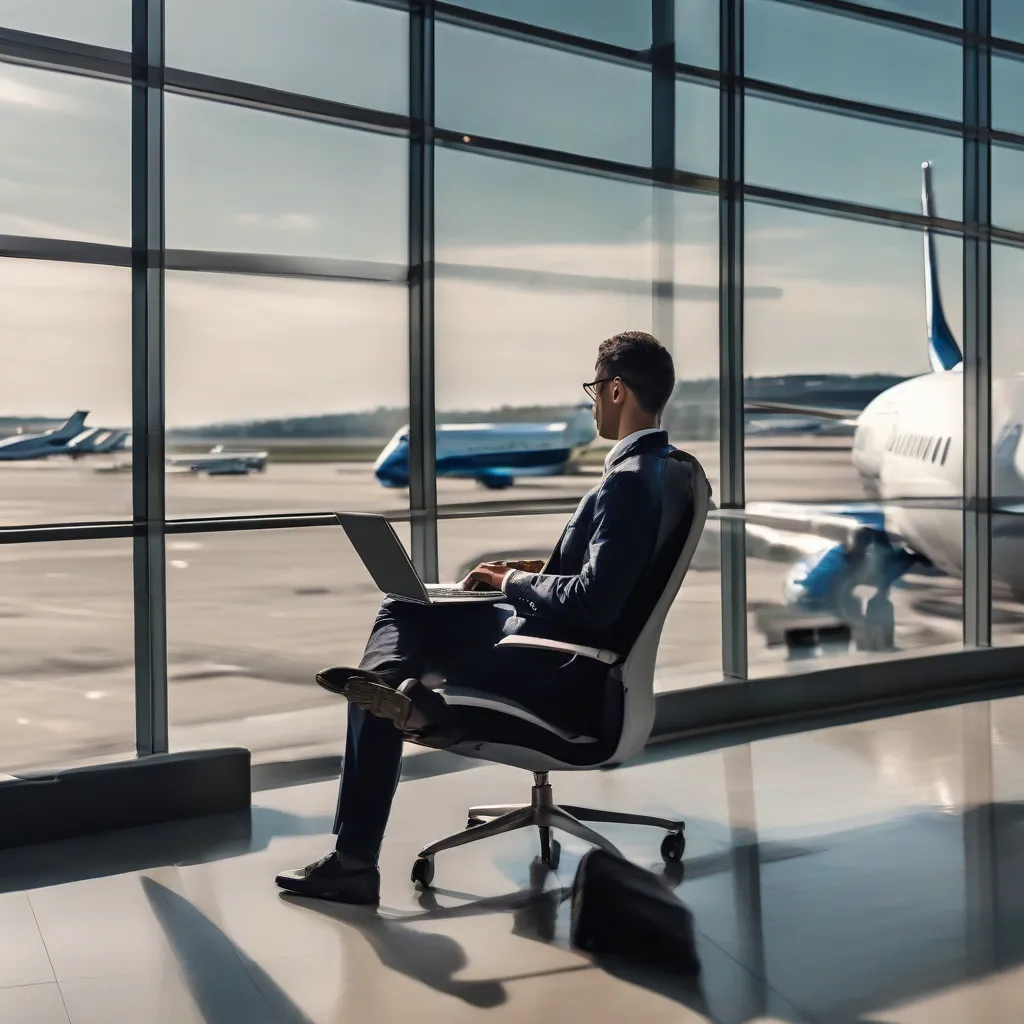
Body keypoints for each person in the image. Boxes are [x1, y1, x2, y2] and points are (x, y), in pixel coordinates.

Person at [276, 330, 695, 904]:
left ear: (617, 390)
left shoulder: (625, 482)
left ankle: (357, 847)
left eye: (595, 389)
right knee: (412, 608)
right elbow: (610, 571)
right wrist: (523, 569)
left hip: (552, 661)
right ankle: (397, 694)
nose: (592, 401)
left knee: (401, 612)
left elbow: (595, 603)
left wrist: (511, 583)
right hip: (561, 644)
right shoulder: (661, 470)